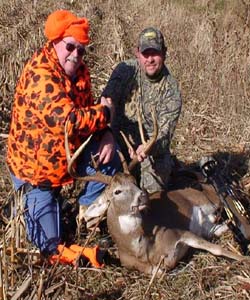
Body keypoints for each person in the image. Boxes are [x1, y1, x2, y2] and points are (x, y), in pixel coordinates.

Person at [6, 10, 120, 266]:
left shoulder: (80, 72)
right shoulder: (41, 75)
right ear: (55, 42)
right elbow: (70, 122)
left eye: (81, 50)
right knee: (49, 247)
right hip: (38, 175)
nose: (76, 55)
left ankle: (85, 212)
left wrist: (106, 133)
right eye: (70, 47)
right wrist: (106, 113)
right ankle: (22, 206)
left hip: (68, 157)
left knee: (111, 158)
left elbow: (87, 109)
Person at [101, 27, 182, 193]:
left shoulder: (171, 92)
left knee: (150, 201)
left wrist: (148, 147)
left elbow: (164, 135)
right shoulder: (125, 70)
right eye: (146, 53)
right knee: (102, 187)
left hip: (149, 155)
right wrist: (106, 133)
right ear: (137, 53)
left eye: (155, 53)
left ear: (165, 53)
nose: (150, 59)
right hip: (117, 145)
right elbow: (107, 100)